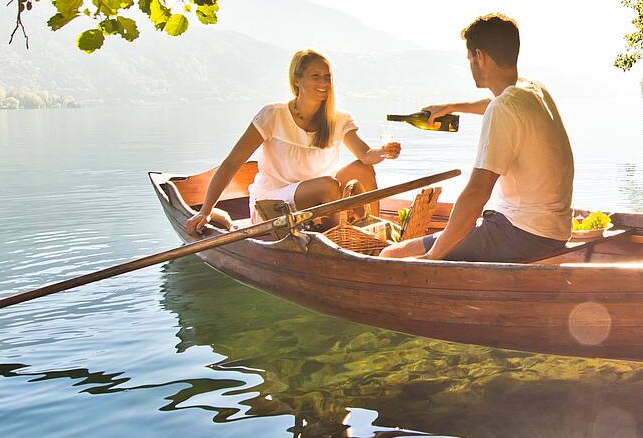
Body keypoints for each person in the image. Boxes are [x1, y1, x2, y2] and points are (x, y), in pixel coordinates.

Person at [380, 14, 574, 262]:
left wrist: (433, 257)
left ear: (479, 56)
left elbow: (477, 193)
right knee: (424, 244)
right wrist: (451, 107)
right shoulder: (533, 90)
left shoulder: (503, 109)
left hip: (519, 235)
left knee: (391, 255)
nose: (470, 63)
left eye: (470, 57)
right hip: (552, 232)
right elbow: (497, 102)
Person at [185, 49, 401, 234]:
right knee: (328, 185)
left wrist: (383, 152)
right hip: (273, 203)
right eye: (316, 76)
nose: (324, 83)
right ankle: (339, 242)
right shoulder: (273, 115)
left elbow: (365, 155)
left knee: (363, 170)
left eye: (327, 77)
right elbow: (233, 162)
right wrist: (205, 210)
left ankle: (372, 231)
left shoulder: (338, 118)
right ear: (297, 80)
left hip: (324, 196)